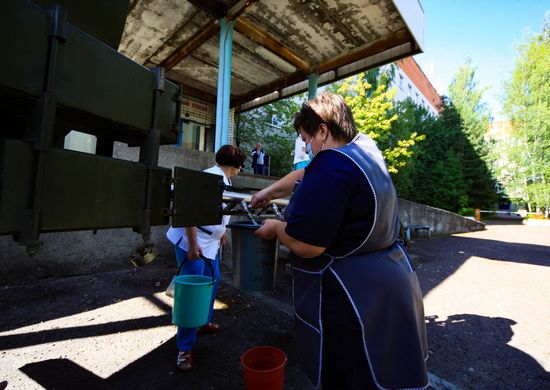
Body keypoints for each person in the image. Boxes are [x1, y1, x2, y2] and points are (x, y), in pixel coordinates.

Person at [249, 93, 429, 389]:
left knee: (351, 375)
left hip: (350, 296)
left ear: (323, 130)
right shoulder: (364, 152)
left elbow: (307, 246)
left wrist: (276, 229)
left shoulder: (332, 164)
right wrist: (269, 193)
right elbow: (307, 172)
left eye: (307, 138)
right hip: (389, 281)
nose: (307, 147)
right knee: (383, 368)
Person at [166, 144, 246, 371]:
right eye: (241, 164)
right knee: (193, 291)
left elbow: (219, 213)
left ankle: (200, 323)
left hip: (210, 242)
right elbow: (189, 210)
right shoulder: (209, 177)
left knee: (213, 282)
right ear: (236, 164)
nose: (241, 168)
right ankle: (185, 348)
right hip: (194, 240)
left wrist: (222, 233)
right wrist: (192, 244)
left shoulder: (225, 180)